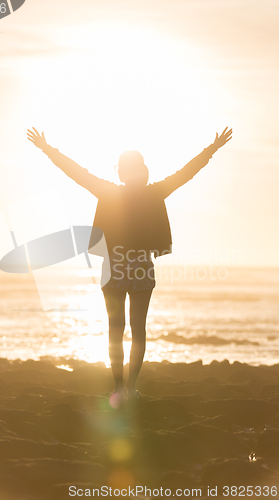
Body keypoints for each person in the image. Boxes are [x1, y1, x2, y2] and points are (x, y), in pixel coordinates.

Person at [27, 126, 233, 403]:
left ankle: (120, 388)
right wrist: (212, 148)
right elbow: (186, 173)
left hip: (117, 265)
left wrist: (48, 149)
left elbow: (77, 173)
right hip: (135, 267)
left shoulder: (114, 191)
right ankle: (128, 388)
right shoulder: (152, 192)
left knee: (119, 328)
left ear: (125, 171)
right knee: (135, 329)